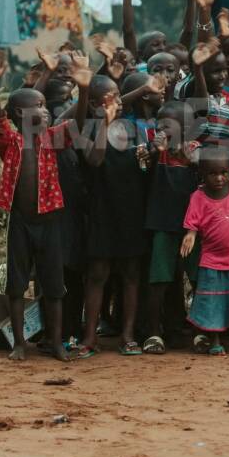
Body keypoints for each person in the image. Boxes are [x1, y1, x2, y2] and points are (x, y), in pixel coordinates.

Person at [0, 49, 91, 362]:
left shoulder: (53, 138)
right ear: (20, 115)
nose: (46, 112)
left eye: (46, 107)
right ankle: (19, 342)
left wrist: (84, 87)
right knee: (16, 285)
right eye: (39, 107)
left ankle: (56, 342)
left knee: (53, 286)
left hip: (50, 222)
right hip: (21, 222)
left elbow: (80, 123)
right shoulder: (10, 141)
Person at [79, 74, 150, 358]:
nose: (118, 103)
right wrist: (105, 124)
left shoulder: (132, 128)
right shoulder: (88, 130)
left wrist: (149, 155)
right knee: (98, 274)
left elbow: (142, 167)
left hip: (131, 210)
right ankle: (89, 337)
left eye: (119, 96)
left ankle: (128, 335)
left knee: (131, 274)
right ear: (96, 104)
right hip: (101, 211)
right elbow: (94, 161)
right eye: (111, 98)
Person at [181, 146, 229, 356]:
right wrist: (190, 235)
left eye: (223, 172)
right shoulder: (198, 196)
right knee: (213, 302)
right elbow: (192, 222)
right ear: (202, 175)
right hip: (211, 259)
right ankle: (215, 340)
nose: (220, 178)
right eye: (213, 174)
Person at [142, 101, 199, 354]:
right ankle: (154, 332)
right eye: (158, 122)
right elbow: (145, 172)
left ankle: (202, 332)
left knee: (198, 279)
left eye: (167, 124)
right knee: (159, 280)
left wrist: (182, 153)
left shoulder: (194, 150)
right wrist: (155, 152)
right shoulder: (154, 150)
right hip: (163, 224)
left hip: (192, 227)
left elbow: (200, 167)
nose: (160, 127)